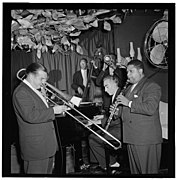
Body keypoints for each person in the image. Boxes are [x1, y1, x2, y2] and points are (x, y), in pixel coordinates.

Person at [12, 63, 68, 174]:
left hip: (45, 145)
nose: (44, 82)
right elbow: (30, 116)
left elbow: (40, 110)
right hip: (36, 148)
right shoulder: (21, 92)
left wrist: (46, 100)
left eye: (45, 79)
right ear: (31, 76)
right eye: (41, 79)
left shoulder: (34, 90)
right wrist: (53, 111)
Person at [117, 59, 162, 174]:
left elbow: (150, 108)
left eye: (131, 71)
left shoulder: (151, 86)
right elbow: (126, 111)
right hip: (132, 137)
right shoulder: (128, 88)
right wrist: (117, 112)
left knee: (148, 172)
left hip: (145, 139)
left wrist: (129, 103)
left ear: (140, 71)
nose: (128, 75)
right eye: (127, 72)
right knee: (135, 172)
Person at [89, 75, 122, 173]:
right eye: (104, 87)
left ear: (115, 83)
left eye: (107, 86)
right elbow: (114, 115)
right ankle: (106, 163)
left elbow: (119, 118)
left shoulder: (120, 95)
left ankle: (110, 164)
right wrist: (102, 117)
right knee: (92, 137)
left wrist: (99, 121)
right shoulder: (115, 95)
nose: (105, 90)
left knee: (94, 138)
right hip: (115, 126)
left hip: (120, 129)